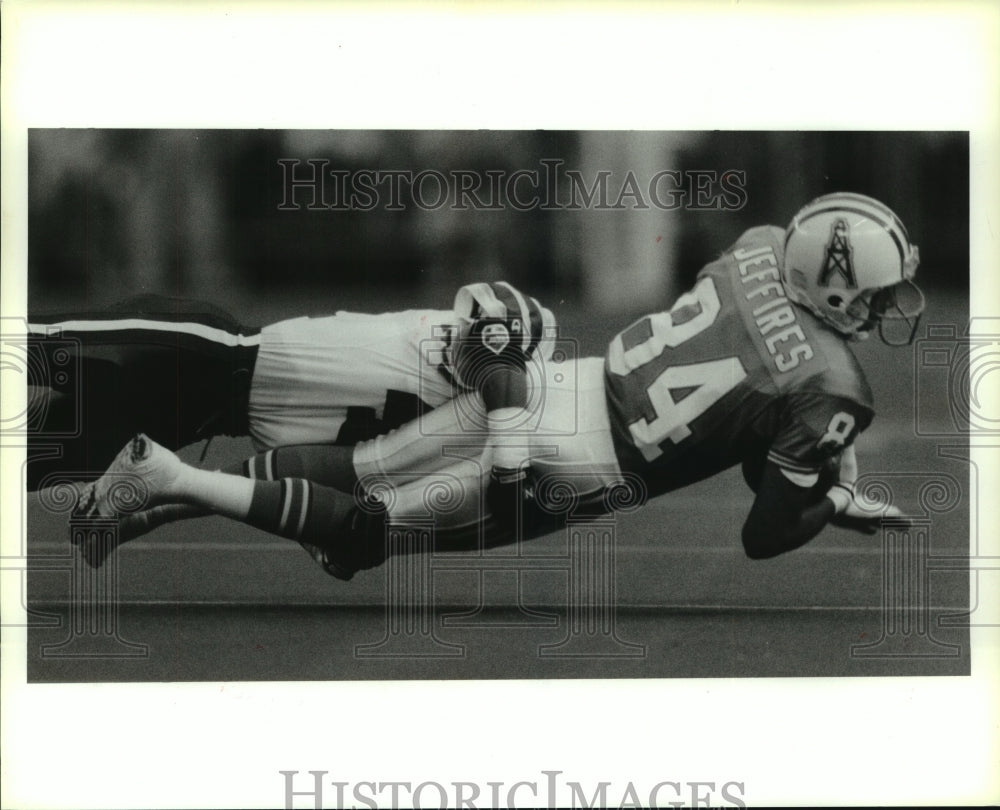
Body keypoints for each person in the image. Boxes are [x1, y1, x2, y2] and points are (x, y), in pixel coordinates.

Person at [75, 192, 921, 576]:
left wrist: (786, 448)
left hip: (557, 386)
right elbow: (766, 534)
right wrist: (830, 501)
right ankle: (171, 476)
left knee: (363, 467)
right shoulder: (834, 382)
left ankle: (155, 497)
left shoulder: (759, 250)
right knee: (363, 537)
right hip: (580, 466)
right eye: (879, 293)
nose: (885, 306)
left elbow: (744, 408)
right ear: (841, 285)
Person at [26, 281, 555, 491]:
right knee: (35, 345)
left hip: (204, 417)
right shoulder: (446, 342)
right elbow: (504, 380)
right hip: (215, 349)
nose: (469, 334)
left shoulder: (457, 415)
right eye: (474, 327)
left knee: (35, 463)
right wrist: (512, 462)